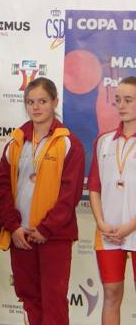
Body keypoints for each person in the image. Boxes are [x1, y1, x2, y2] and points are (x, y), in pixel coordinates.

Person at [0, 77, 85, 325]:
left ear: (55, 101)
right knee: (29, 298)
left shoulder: (69, 143)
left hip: (53, 236)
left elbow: (70, 195)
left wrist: (45, 228)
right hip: (21, 236)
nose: (36, 107)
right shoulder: (16, 142)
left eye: (42, 101)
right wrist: (14, 227)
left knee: (53, 299)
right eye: (30, 102)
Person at [88, 76, 136, 325]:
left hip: (134, 227)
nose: (122, 105)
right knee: (111, 295)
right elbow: (94, 187)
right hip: (107, 232)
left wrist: (130, 226)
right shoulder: (103, 141)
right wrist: (101, 223)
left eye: (128, 100)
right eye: (118, 100)